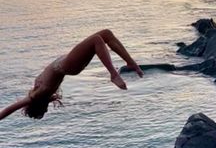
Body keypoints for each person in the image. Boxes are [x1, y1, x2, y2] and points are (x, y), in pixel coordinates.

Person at [0, 29, 144, 121]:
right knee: (97, 40)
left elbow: (9, 109)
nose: (46, 108)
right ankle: (113, 74)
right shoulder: (34, 97)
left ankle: (131, 63)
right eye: (46, 110)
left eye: (44, 109)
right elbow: (8, 110)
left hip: (69, 63)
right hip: (68, 65)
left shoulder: (38, 93)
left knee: (106, 34)